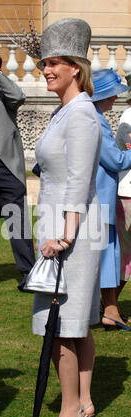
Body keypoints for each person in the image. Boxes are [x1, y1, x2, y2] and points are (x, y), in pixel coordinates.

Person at [19, 17, 104, 417]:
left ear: (76, 67)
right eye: (43, 64)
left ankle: (70, 411)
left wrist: (65, 236)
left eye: (54, 63)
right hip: (60, 230)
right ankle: (83, 403)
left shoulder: (82, 114)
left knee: (61, 330)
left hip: (70, 234)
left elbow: (78, 179)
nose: (47, 70)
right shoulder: (64, 111)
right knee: (70, 325)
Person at [0, 50, 35, 293]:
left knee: (18, 221)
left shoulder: (5, 93)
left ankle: (30, 274)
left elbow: (19, 95)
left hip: (7, 168)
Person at [92, 68, 131, 331]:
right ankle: (107, 309)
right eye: (112, 95)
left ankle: (110, 310)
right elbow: (116, 159)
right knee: (115, 257)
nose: (116, 99)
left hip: (113, 195)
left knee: (116, 257)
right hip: (112, 195)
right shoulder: (95, 119)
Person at [116, 73, 131, 309]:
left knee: (125, 254)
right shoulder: (128, 117)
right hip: (128, 192)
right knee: (125, 254)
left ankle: (107, 304)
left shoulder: (127, 116)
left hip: (125, 191)